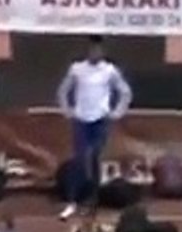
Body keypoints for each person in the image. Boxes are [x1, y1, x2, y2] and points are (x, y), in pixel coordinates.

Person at [56, 34, 133, 221]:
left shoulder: (109, 70)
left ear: (102, 51)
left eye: (98, 49)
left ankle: (93, 201)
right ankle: (73, 202)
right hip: (81, 119)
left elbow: (125, 92)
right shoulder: (77, 69)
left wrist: (116, 113)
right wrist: (67, 110)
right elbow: (63, 90)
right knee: (79, 160)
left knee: (95, 156)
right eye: (92, 49)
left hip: (100, 120)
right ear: (88, 50)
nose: (95, 52)